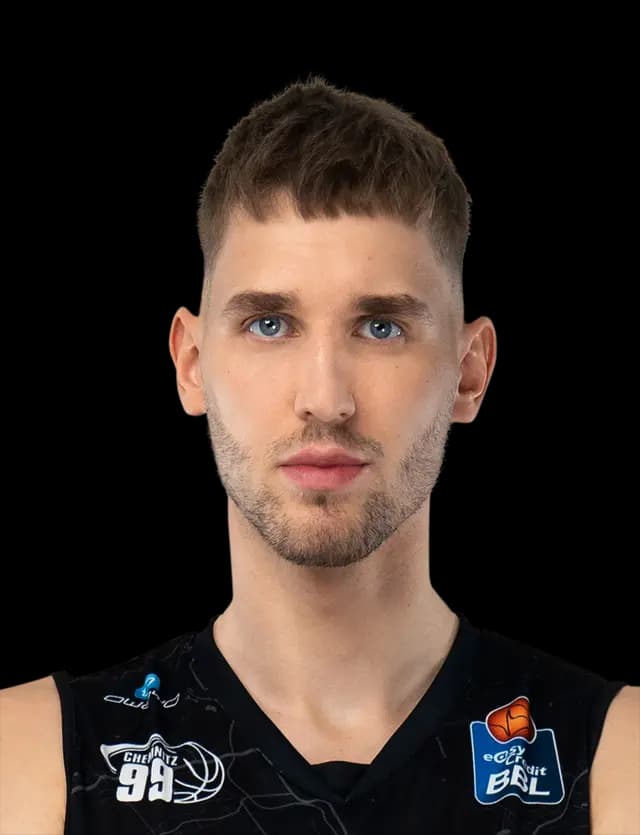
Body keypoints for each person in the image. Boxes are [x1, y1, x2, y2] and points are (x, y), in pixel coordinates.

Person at [1, 76, 638, 835]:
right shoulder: (32, 755)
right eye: (270, 324)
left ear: (469, 373)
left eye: (380, 327)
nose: (326, 399)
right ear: (192, 364)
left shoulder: (614, 754)